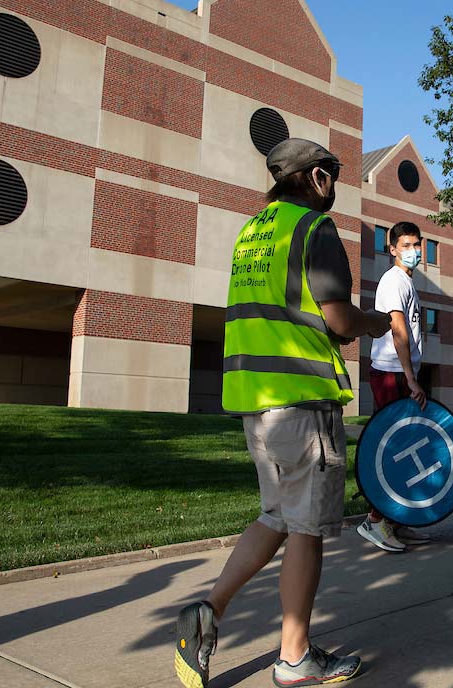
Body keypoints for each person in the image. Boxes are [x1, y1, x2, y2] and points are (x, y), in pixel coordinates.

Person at [174, 138, 391, 688]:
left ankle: (208, 611)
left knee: (277, 516)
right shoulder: (314, 230)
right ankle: (295, 660)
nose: (337, 187)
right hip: (302, 400)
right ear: (317, 178)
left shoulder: (252, 232)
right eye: (335, 176)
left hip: (257, 403)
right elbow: (338, 319)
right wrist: (379, 323)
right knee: (307, 529)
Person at [356, 221, 434, 554]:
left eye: (416, 244)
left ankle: (397, 521)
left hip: (402, 373)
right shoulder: (392, 281)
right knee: (394, 448)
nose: (413, 251)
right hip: (391, 374)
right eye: (405, 245)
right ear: (392, 249)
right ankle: (375, 521)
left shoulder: (407, 282)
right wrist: (410, 377)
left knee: (408, 445)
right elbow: (398, 330)